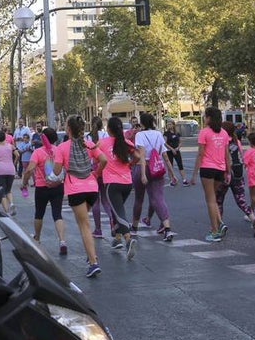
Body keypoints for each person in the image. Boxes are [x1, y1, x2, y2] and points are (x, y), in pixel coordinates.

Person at [54, 115, 107, 277]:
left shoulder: (62, 148)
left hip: (75, 188)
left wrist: (54, 163)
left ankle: (93, 262)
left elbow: (56, 171)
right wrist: (96, 174)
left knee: (84, 225)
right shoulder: (88, 144)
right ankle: (91, 255)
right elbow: (103, 159)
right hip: (92, 187)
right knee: (82, 222)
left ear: (68, 129)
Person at [98, 114, 144, 251]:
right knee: (116, 209)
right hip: (127, 183)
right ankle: (117, 238)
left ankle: (128, 239)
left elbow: (96, 157)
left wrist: (97, 171)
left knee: (119, 211)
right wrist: (130, 165)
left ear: (109, 129)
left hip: (112, 184)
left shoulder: (103, 143)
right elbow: (137, 155)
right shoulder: (125, 142)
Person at [20, 128, 68, 254]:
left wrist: (24, 183)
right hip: (58, 186)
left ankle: (37, 238)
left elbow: (29, 169)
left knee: (39, 213)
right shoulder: (59, 150)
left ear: (43, 138)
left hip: (42, 187)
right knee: (57, 214)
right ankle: (62, 241)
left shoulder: (37, 152)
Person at [132, 112, 176, 238]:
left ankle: (134, 227)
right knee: (158, 198)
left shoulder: (140, 135)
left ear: (142, 123)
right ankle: (167, 228)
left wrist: (143, 175)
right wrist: (172, 174)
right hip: (157, 168)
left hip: (143, 167)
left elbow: (141, 154)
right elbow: (165, 156)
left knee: (139, 199)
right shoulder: (158, 134)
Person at [196, 107, 231, 242]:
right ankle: (220, 224)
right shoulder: (224, 133)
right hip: (220, 169)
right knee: (214, 199)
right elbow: (226, 154)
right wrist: (228, 170)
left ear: (209, 118)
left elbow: (200, 153)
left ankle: (215, 230)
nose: (204, 119)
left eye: (205, 117)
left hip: (207, 168)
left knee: (210, 200)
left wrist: (194, 173)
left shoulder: (204, 132)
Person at [0, 130, 17, 215]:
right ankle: (12, 203)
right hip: (11, 169)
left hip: (1, 170)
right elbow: (18, 155)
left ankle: (7, 211)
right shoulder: (11, 146)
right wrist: (14, 163)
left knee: (2, 192)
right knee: (8, 190)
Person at [164, 120, 190, 186]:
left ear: (173, 125)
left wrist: (178, 148)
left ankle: (184, 180)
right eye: (168, 124)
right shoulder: (166, 133)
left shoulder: (177, 133)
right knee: (170, 165)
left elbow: (180, 142)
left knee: (180, 164)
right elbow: (165, 143)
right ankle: (172, 180)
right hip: (169, 151)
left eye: (170, 124)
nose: (169, 125)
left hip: (176, 150)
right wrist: (172, 149)